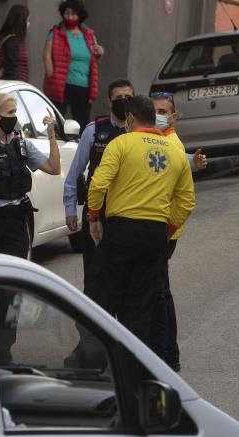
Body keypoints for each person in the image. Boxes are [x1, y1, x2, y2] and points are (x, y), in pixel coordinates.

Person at [86, 95, 195, 348]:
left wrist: (94, 218)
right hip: (155, 234)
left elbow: (98, 184)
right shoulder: (175, 151)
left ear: (131, 118)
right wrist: (167, 230)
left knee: (103, 298)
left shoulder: (121, 144)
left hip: (122, 231)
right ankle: (135, 365)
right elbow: (187, 201)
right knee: (140, 305)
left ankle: (97, 361)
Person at [0, 92, 60, 364]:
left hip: (16, 223)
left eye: (15, 112)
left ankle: (3, 353)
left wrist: (51, 132)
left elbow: (53, 167)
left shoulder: (21, 144)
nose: (14, 118)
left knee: (12, 291)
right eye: (9, 113)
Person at [148, 91, 206, 371]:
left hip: (162, 230)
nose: (157, 115)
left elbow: (185, 199)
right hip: (155, 229)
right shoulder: (153, 140)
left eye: (162, 111)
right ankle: (165, 354)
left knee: (159, 294)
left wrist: (166, 230)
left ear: (173, 116)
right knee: (158, 291)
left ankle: (167, 356)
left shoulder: (170, 143)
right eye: (153, 109)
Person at [63, 79, 135, 295]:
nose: (124, 103)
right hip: (97, 211)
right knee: (95, 274)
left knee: (124, 276)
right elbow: (75, 172)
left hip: (127, 212)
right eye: (118, 99)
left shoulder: (140, 131)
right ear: (108, 102)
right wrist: (70, 209)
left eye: (128, 98)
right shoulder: (94, 130)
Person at [44, 0, 104, 127]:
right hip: (61, 85)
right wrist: (51, 75)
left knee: (81, 123)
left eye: (74, 14)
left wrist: (100, 53)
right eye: (67, 13)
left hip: (84, 87)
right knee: (55, 122)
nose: (70, 17)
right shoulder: (56, 32)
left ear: (80, 16)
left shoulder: (89, 35)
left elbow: (95, 61)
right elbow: (46, 55)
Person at [0, 4, 30, 82]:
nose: (28, 23)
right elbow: (11, 69)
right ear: (21, 21)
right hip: (12, 87)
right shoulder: (12, 41)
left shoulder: (11, 39)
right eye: (27, 20)